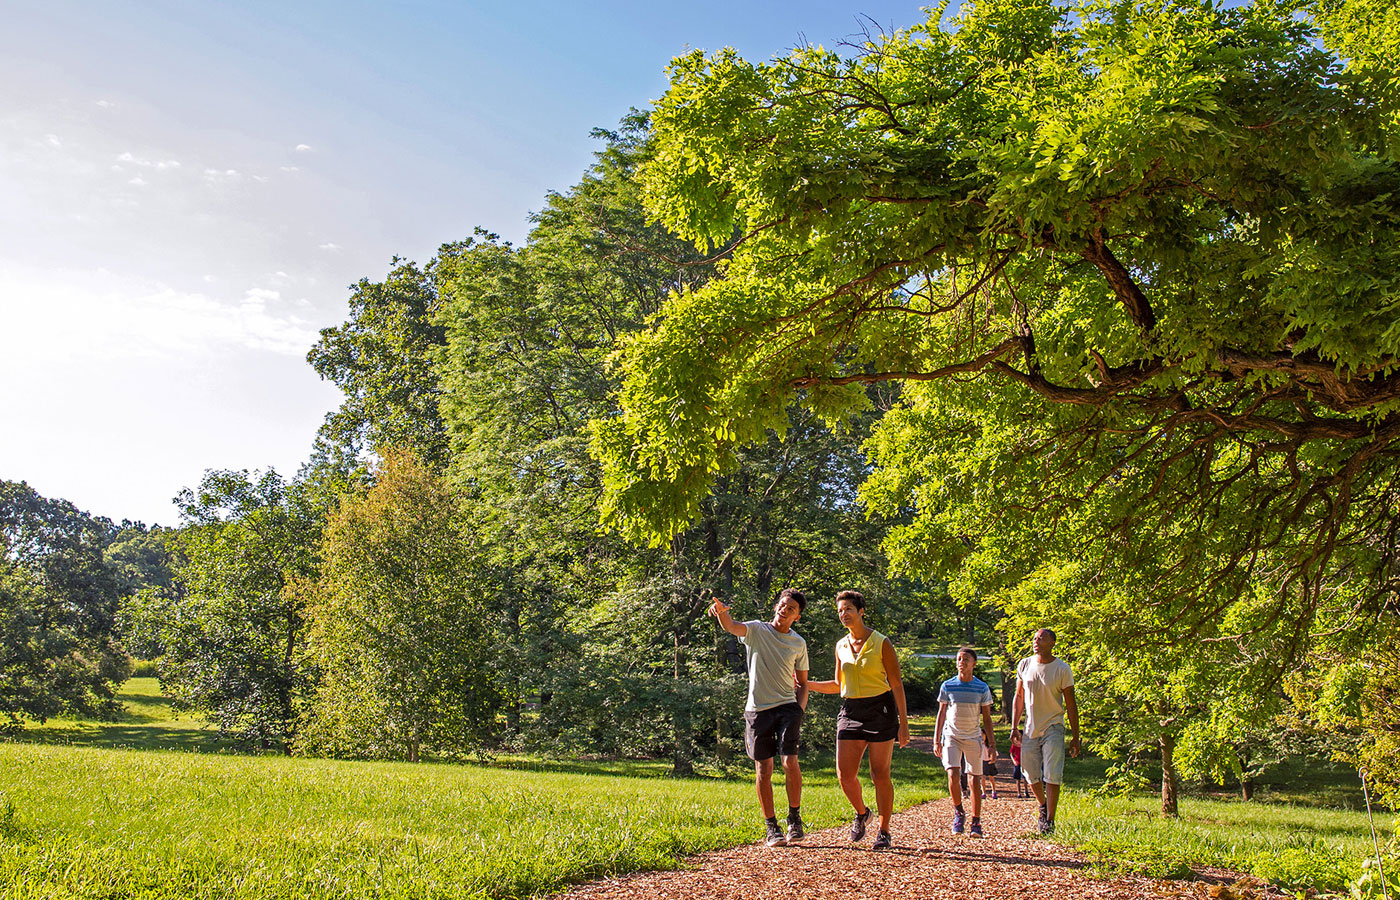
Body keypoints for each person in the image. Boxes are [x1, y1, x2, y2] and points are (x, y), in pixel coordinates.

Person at [807, 590, 910, 851]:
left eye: (848, 610)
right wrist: (806, 684)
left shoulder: (881, 642)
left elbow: (896, 684)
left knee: (879, 773)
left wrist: (904, 724)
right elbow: (838, 685)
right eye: (840, 611)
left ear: (861, 612)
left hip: (881, 709)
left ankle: (884, 831)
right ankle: (863, 813)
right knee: (845, 775)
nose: (844, 615)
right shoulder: (840, 646)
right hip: (851, 710)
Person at [710, 588, 811, 847]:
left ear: (797, 617)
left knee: (790, 762)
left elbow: (803, 683)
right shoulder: (757, 630)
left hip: (788, 707)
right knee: (764, 769)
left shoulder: (798, 643)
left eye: (791, 609)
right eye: (782, 604)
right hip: (757, 710)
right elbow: (731, 627)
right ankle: (771, 826)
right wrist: (722, 613)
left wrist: (799, 710)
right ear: (776, 605)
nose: (784, 610)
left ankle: (794, 818)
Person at [1012, 628, 1080, 834]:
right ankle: (1042, 804)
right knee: (1030, 774)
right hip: (1030, 728)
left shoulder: (1062, 669)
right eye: (1034, 638)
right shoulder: (1024, 664)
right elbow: (1019, 697)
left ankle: (1049, 821)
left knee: (1052, 773)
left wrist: (1076, 737)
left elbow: (1071, 704)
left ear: (1052, 642)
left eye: (1041, 638)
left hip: (1054, 726)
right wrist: (1014, 727)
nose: (1036, 641)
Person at [935, 646, 997, 837]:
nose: (961, 662)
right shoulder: (947, 686)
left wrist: (992, 744)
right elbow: (941, 713)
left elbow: (987, 718)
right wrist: (936, 740)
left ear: (974, 664)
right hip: (952, 736)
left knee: (974, 780)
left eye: (965, 659)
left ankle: (976, 821)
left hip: (973, 738)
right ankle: (959, 811)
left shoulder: (982, 688)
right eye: (959, 659)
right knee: (953, 775)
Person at [1010, 728, 1028, 798]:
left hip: (1024, 763)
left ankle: (1026, 791)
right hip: (1017, 763)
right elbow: (1011, 753)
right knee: (1017, 778)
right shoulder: (1014, 745)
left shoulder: (1025, 745)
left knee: (1025, 778)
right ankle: (1019, 792)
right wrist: (1013, 761)